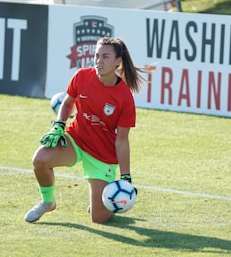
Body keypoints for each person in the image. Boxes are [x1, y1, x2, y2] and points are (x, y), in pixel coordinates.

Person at [25, 36, 154, 224]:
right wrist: (60, 124)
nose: (98, 61)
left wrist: (126, 177)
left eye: (105, 57)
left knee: (99, 218)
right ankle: (47, 202)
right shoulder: (82, 76)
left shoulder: (124, 97)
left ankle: (106, 203)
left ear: (118, 62)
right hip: (76, 140)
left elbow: (122, 141)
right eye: (96, 56)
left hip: (102, 154)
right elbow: (67, 103)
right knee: (40, 160)